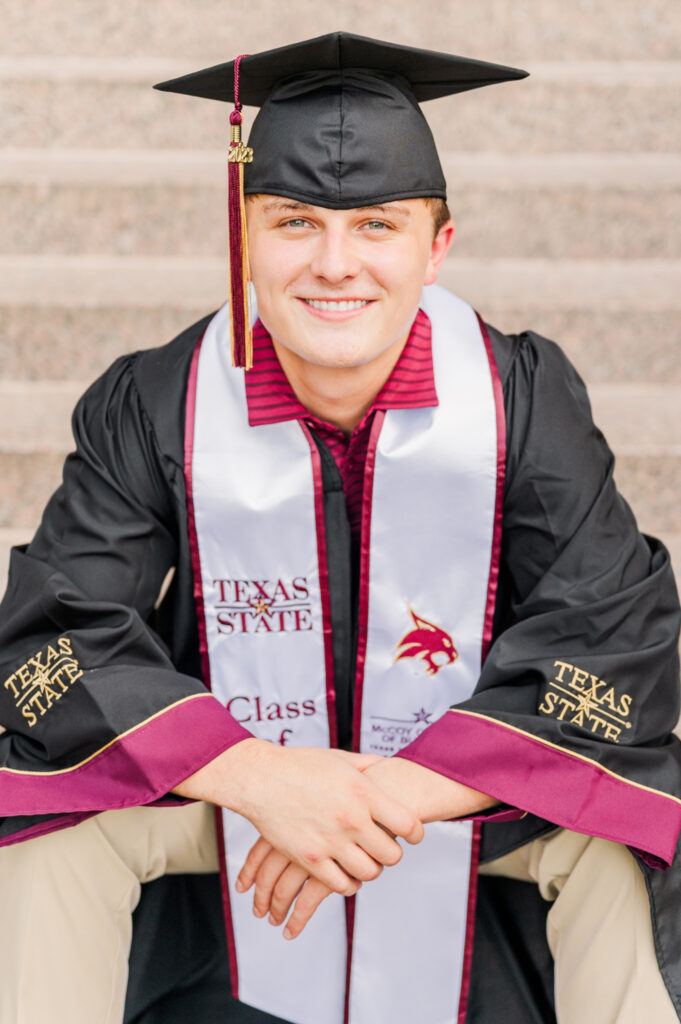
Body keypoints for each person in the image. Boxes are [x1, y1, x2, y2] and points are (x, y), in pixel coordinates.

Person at [1, 31, 680, 1024]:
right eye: (293, 223)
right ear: (244, 236)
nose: (333, 264)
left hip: (462, 802)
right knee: (43, 815)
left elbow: (614, 635)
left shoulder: (523, 400)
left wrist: (387, 795)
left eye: (376, 226)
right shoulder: (156, 404)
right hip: (230, 802)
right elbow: (57, 636)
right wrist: (269, 779)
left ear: (436, 246)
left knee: (619, 822)